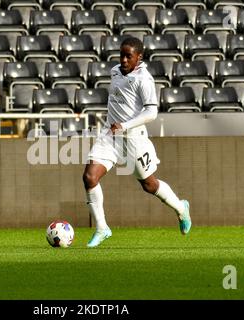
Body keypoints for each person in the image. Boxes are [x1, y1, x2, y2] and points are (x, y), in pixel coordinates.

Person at [82, 37, 191, 248]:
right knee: (89, 177)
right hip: (110, 134)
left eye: (128, 56)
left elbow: (151, 112)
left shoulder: (144, 79)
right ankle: (102, 228)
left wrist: (125, 125)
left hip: (134, 139)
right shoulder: (115, 71)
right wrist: (116, 125)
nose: (123, 59)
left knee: (149, 185)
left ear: (138, 57)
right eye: (121, 55)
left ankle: (180, 208)